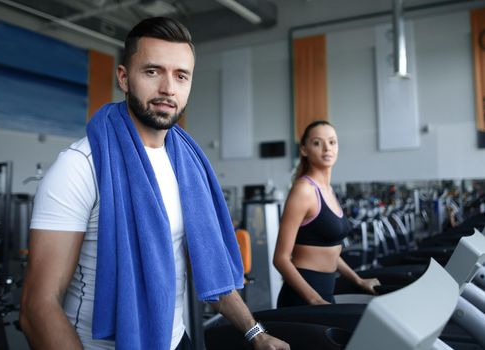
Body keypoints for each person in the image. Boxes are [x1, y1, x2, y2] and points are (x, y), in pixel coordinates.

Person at [19, 17, 289, 350]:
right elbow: (37, 307)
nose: (167, 88)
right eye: (152, 71)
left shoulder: (188, 164)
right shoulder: (79, 167)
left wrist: (255, 334)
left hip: (175, 340)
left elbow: (208, 269)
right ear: (124, 78)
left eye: (181, 75)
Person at [273, 120, 380, 307]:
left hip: (324, 294)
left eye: (332, 142)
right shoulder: (304, 191)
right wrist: (314, 299)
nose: (326, 148)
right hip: (303, 298)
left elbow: (330, 253)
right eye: (317, 143)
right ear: (304, 149)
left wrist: (358, 280)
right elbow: (281, 259)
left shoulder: (328, 191)